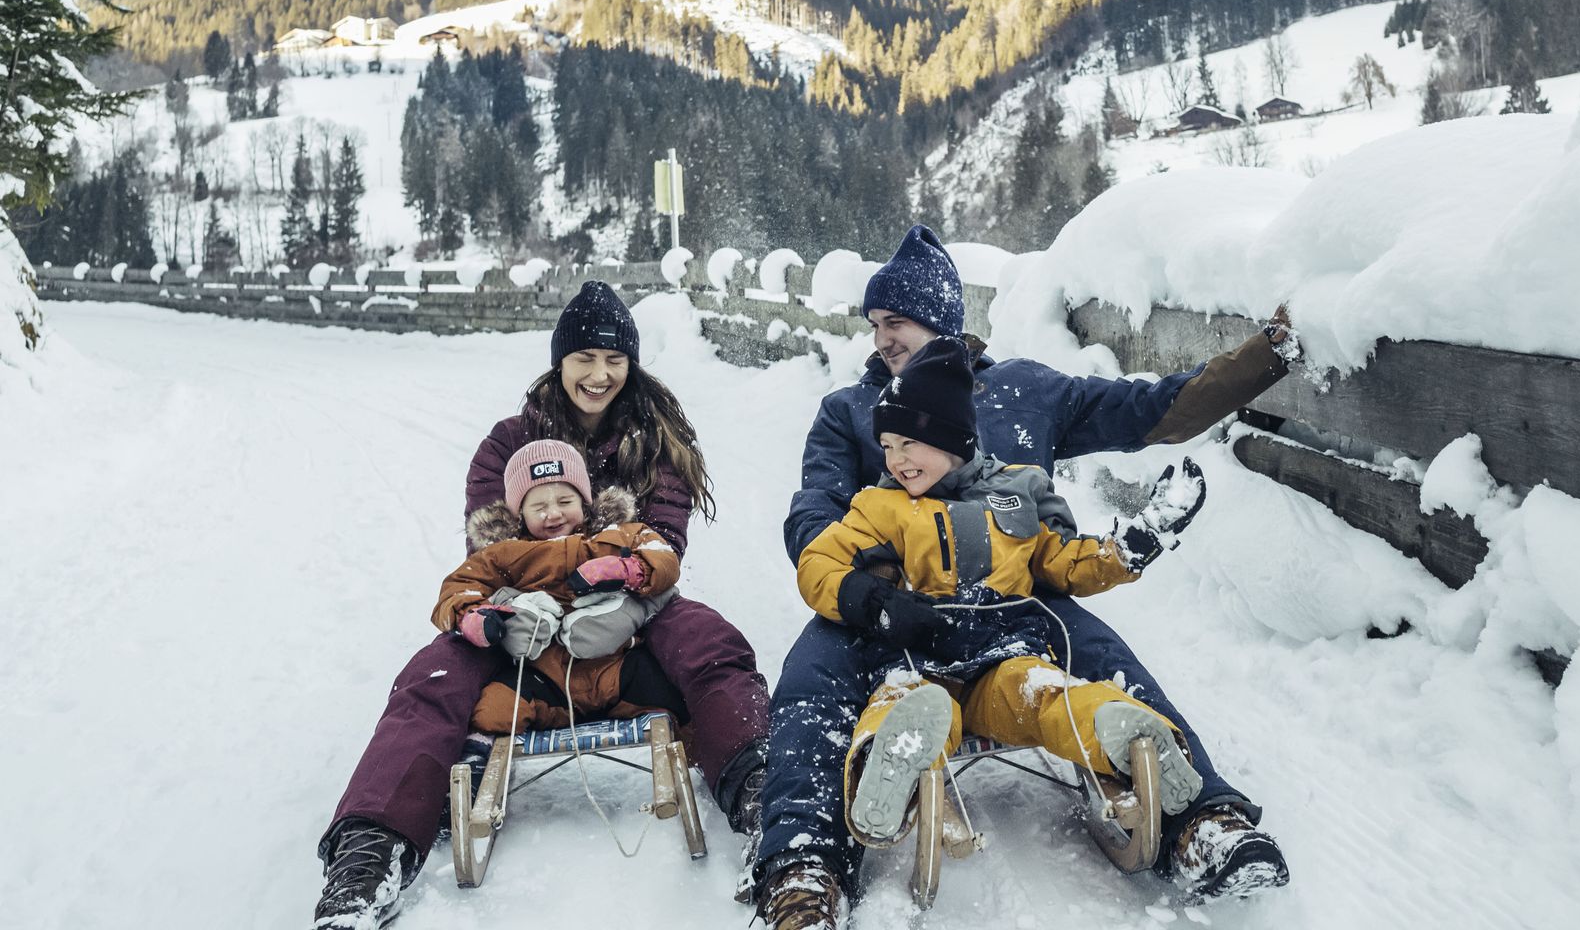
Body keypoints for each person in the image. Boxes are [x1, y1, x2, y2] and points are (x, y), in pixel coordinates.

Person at [755, 226, 1295, 929]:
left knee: (1100, 658)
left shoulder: (1023, 390)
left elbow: (1150, 409)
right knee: (810, 680)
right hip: (889, 602)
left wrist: (1263, 360)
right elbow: (815, 513)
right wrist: (873, 587)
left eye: (897, 321)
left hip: (1020, 592)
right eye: (875, 325)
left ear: (942, 320)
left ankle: (1202, 819)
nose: (882, 338)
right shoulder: (854, 410)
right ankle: (803, 866)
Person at [316, 282, 770, 930]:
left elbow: (662, 548)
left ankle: (765, 797)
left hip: (624, 610)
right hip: (522, 628)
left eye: (615, 359)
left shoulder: (651, 441)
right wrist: (497, 615)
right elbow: (480, 560)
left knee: (705, 638)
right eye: (584, 357)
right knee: (433, 673)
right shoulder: (508, 443)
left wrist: (620, 580)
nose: (600, 373)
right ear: (560, 362)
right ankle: (368, 855)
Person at [795, 337, 1212, 853]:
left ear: (952, 438)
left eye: (908, 444)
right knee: (908, 704)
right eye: (887, 446)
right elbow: (818, 562)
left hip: (1004, 657)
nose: (895, 459)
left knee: (1046, 695)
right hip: (920, 659)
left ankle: (1128, 737)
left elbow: (1062, 564)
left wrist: (1127, 550)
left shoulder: (1018, 491)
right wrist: (873, 601)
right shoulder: (881, 506)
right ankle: (888, 766)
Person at [438, 439, 685, 735]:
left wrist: (629, 569)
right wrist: (476, 618)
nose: (553, 514)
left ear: (584, 501)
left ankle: (706, 757)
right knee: (492, 711)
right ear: (520, 514)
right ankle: (479, 757)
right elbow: (459, 587)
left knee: (675, 695)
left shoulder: (619, 534)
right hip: (544, 679)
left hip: (618, 668)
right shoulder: (502, 553)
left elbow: (663, 556)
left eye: (565, 502)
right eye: (539, 506)